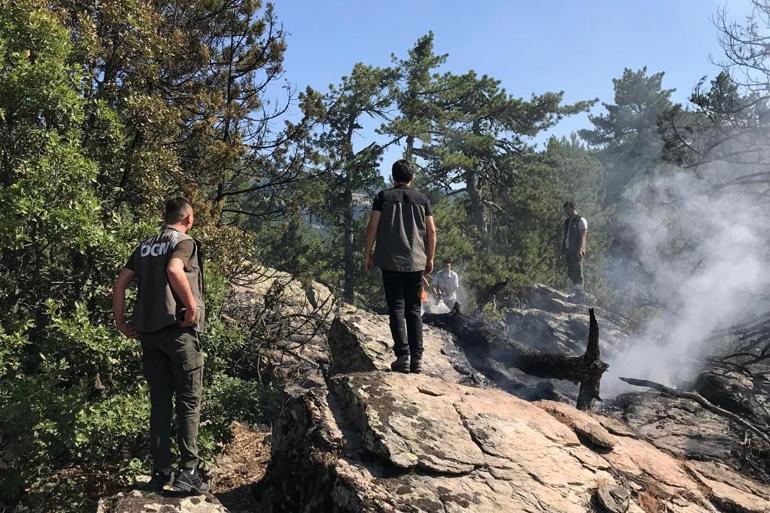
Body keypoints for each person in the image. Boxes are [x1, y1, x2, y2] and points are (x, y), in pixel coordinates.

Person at [112, 197, 208, 494]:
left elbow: (119, 284)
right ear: (188, 218)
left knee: (160, 404)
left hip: (148, 335)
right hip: (177, 333)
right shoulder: (184, 241)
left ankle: (160, 472)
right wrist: (190, 308)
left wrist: (120, 321)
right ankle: (187, 472)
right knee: (189, 401)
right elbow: (175, 269)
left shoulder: (144, 245)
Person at [364, 160, 436, 374]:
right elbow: (432, 231)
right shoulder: (422, 199)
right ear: (411, 178)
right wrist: (430, 259)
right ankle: (417, 360)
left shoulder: (383, 197)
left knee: (396, 307)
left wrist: (368, 253)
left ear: (393, 177)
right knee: (414, 309)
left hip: (390, 261)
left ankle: (402, 357)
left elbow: (372, 226)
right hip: (416, 261)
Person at [561, 201, 588, 303]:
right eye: (565, 210)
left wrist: (580, 250)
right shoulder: (567, 221)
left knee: (578, 273)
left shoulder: (581, 220)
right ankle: (575, 294)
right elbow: (566, 236)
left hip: (577, 251)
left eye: (568, 209)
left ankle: (579, 296)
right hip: (569, 251)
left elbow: (583, 236)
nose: (566, 211)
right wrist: (563, 250)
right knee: (571, 273)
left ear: (573, 208)